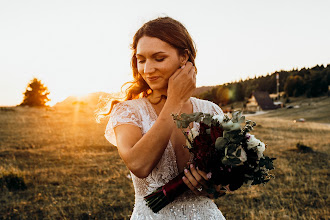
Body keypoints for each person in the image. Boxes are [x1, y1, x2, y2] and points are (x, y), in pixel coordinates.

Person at [104, 16, 226, 219]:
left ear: (183, 57)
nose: (147, 69)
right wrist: (174, 102)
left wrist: (214, 187)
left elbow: (223, 184)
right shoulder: (127, 112)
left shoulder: (211, 111)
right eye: (141, 60)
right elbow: (139, 165)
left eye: (158, 58)